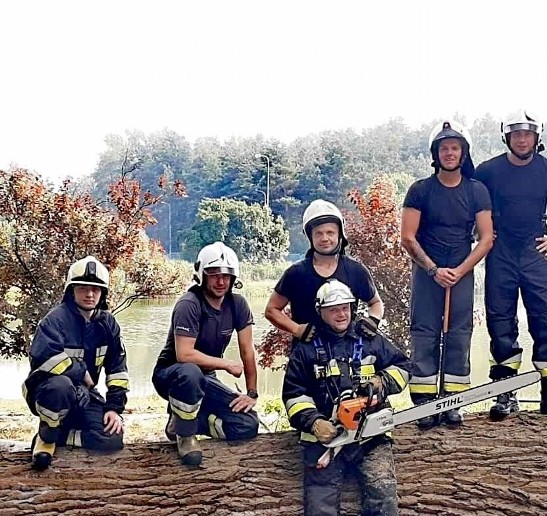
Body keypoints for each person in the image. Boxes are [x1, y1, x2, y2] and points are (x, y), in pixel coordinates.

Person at [282, 279, 411, 516]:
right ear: (320, 312)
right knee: (321, 493)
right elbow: (293, 394)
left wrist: (382, 381)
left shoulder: (370, 337)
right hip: (327, 435)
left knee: (381, 486)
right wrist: (314, 423)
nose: (341, 314)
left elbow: (403, 367)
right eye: (333, 310)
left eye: (345, 308)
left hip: (371, 432)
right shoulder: (306, 349)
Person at [474, 109, 547, 424]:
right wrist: (482, 234)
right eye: (516, 134)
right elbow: (471, 204)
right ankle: (506, 393)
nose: (522, 139)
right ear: (507, 137)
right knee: (500, 321)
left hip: (534, 250)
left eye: (527, 134)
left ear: (536, 137)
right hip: (499, 250)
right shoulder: (487, 171)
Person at [401, 119, 493, 429]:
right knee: (424, 332)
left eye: (455, 148)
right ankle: (425, 403)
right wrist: (432, 269)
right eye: (444, 148)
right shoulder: (420, 190)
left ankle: (453, 402)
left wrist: (460, 271)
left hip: (461, 266)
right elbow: (408, 237)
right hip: (428, 268)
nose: (450, 153)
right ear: (435, 153)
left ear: (464, 153)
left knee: (458, 333)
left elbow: (486, 238)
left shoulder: (476, 190)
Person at [152, 242, 259, 466]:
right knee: (190, 373)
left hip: (205, 378)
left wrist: (252, 393)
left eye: (226, 276)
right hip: (173, 375)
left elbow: (248, 351)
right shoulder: (189, 304)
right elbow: (184, 355)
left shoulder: (238, 304)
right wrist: (226, 364)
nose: (220, 282)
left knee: (247, 424)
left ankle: (183, 420)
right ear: (202, 275)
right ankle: (186, 436)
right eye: (214, 275)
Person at [23, 256, 128, 470]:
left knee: (112, 438)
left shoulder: (108, 324)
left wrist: (114, 408)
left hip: (85, 394)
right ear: (71, 290)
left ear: (103, 293)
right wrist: (80, 371)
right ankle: (47, 436)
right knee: (59, 386)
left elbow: (118, 369)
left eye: (95, 289)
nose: (89, 294)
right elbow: (44, 357)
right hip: (48, 392)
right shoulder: (55, 319)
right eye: (82, 288)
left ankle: (62, 436)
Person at [265, 199, 384, 343]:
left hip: (348, 352)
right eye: (318, 234)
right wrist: (297, 329)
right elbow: (271, 310)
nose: (325, 238)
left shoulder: (355, 270)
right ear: (310, 237)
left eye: (330, 233)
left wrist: (373, 320)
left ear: (339, 234)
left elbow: (376, 303)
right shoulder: (296, 274)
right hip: (306, 355)